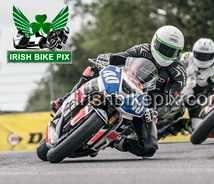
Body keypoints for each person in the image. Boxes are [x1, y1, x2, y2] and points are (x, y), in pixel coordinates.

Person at [51, 25, 186, 157]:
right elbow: (122, 56)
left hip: (145, 107)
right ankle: (65, 100)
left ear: (178, 53)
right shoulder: (143, 50)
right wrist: (108, 58)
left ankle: (115, 141)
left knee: (149, 147)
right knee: (93, 70)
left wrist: (156, 111)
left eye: (171, 52)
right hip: (123, 85)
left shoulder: (178, 73)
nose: (166, 55)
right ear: (155, 42)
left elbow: (169, 100)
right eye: (163, 48)